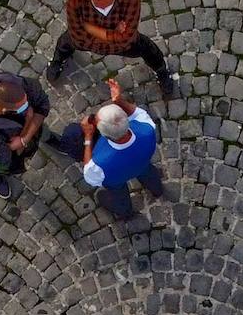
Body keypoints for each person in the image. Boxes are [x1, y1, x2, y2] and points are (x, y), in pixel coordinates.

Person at [46, 0, 175, 97]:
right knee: (66, 42)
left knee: (146, 48)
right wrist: (114, 33)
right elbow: (77, 34)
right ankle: (58, 61)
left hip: (116, 44)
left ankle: (161, 70)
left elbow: (126, 39)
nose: (102, 9)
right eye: (97, 5)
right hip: (94, 41)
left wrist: (90, 28)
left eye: (106, 5)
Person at [51, 78, 163, 221]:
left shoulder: (100, 164)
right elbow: (137, 113)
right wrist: (118, 100)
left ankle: (126, 212)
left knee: (118, 193)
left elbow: (89, 174)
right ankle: (156, 188)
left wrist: (88, 137)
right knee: (148, 172)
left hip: (116, 179)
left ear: (105, 136)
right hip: (141, 163)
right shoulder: (147, 130)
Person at [0, 72, 51, 199]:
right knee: (0, 167)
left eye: (26, 102)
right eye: (22, 108)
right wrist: (29, 121)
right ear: (4, 110)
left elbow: (42, 104)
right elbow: (7, 155)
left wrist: (25, 136)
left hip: (28, 132)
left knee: (42, 132)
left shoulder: (21, 85)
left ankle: (48, 137)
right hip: (2, 149)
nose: (27, 107)